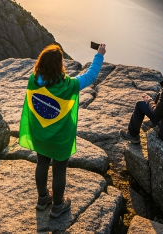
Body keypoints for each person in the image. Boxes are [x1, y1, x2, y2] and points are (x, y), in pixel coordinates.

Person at [19, 43, 107, 218]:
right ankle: (58, 206)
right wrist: (100, 55)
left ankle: (42, 199)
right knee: (59, 170)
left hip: (40, 132)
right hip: (60, 138)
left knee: (42, 163)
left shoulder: (33, 80)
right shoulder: (69, 85)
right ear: (59, 65)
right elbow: (90, 75)